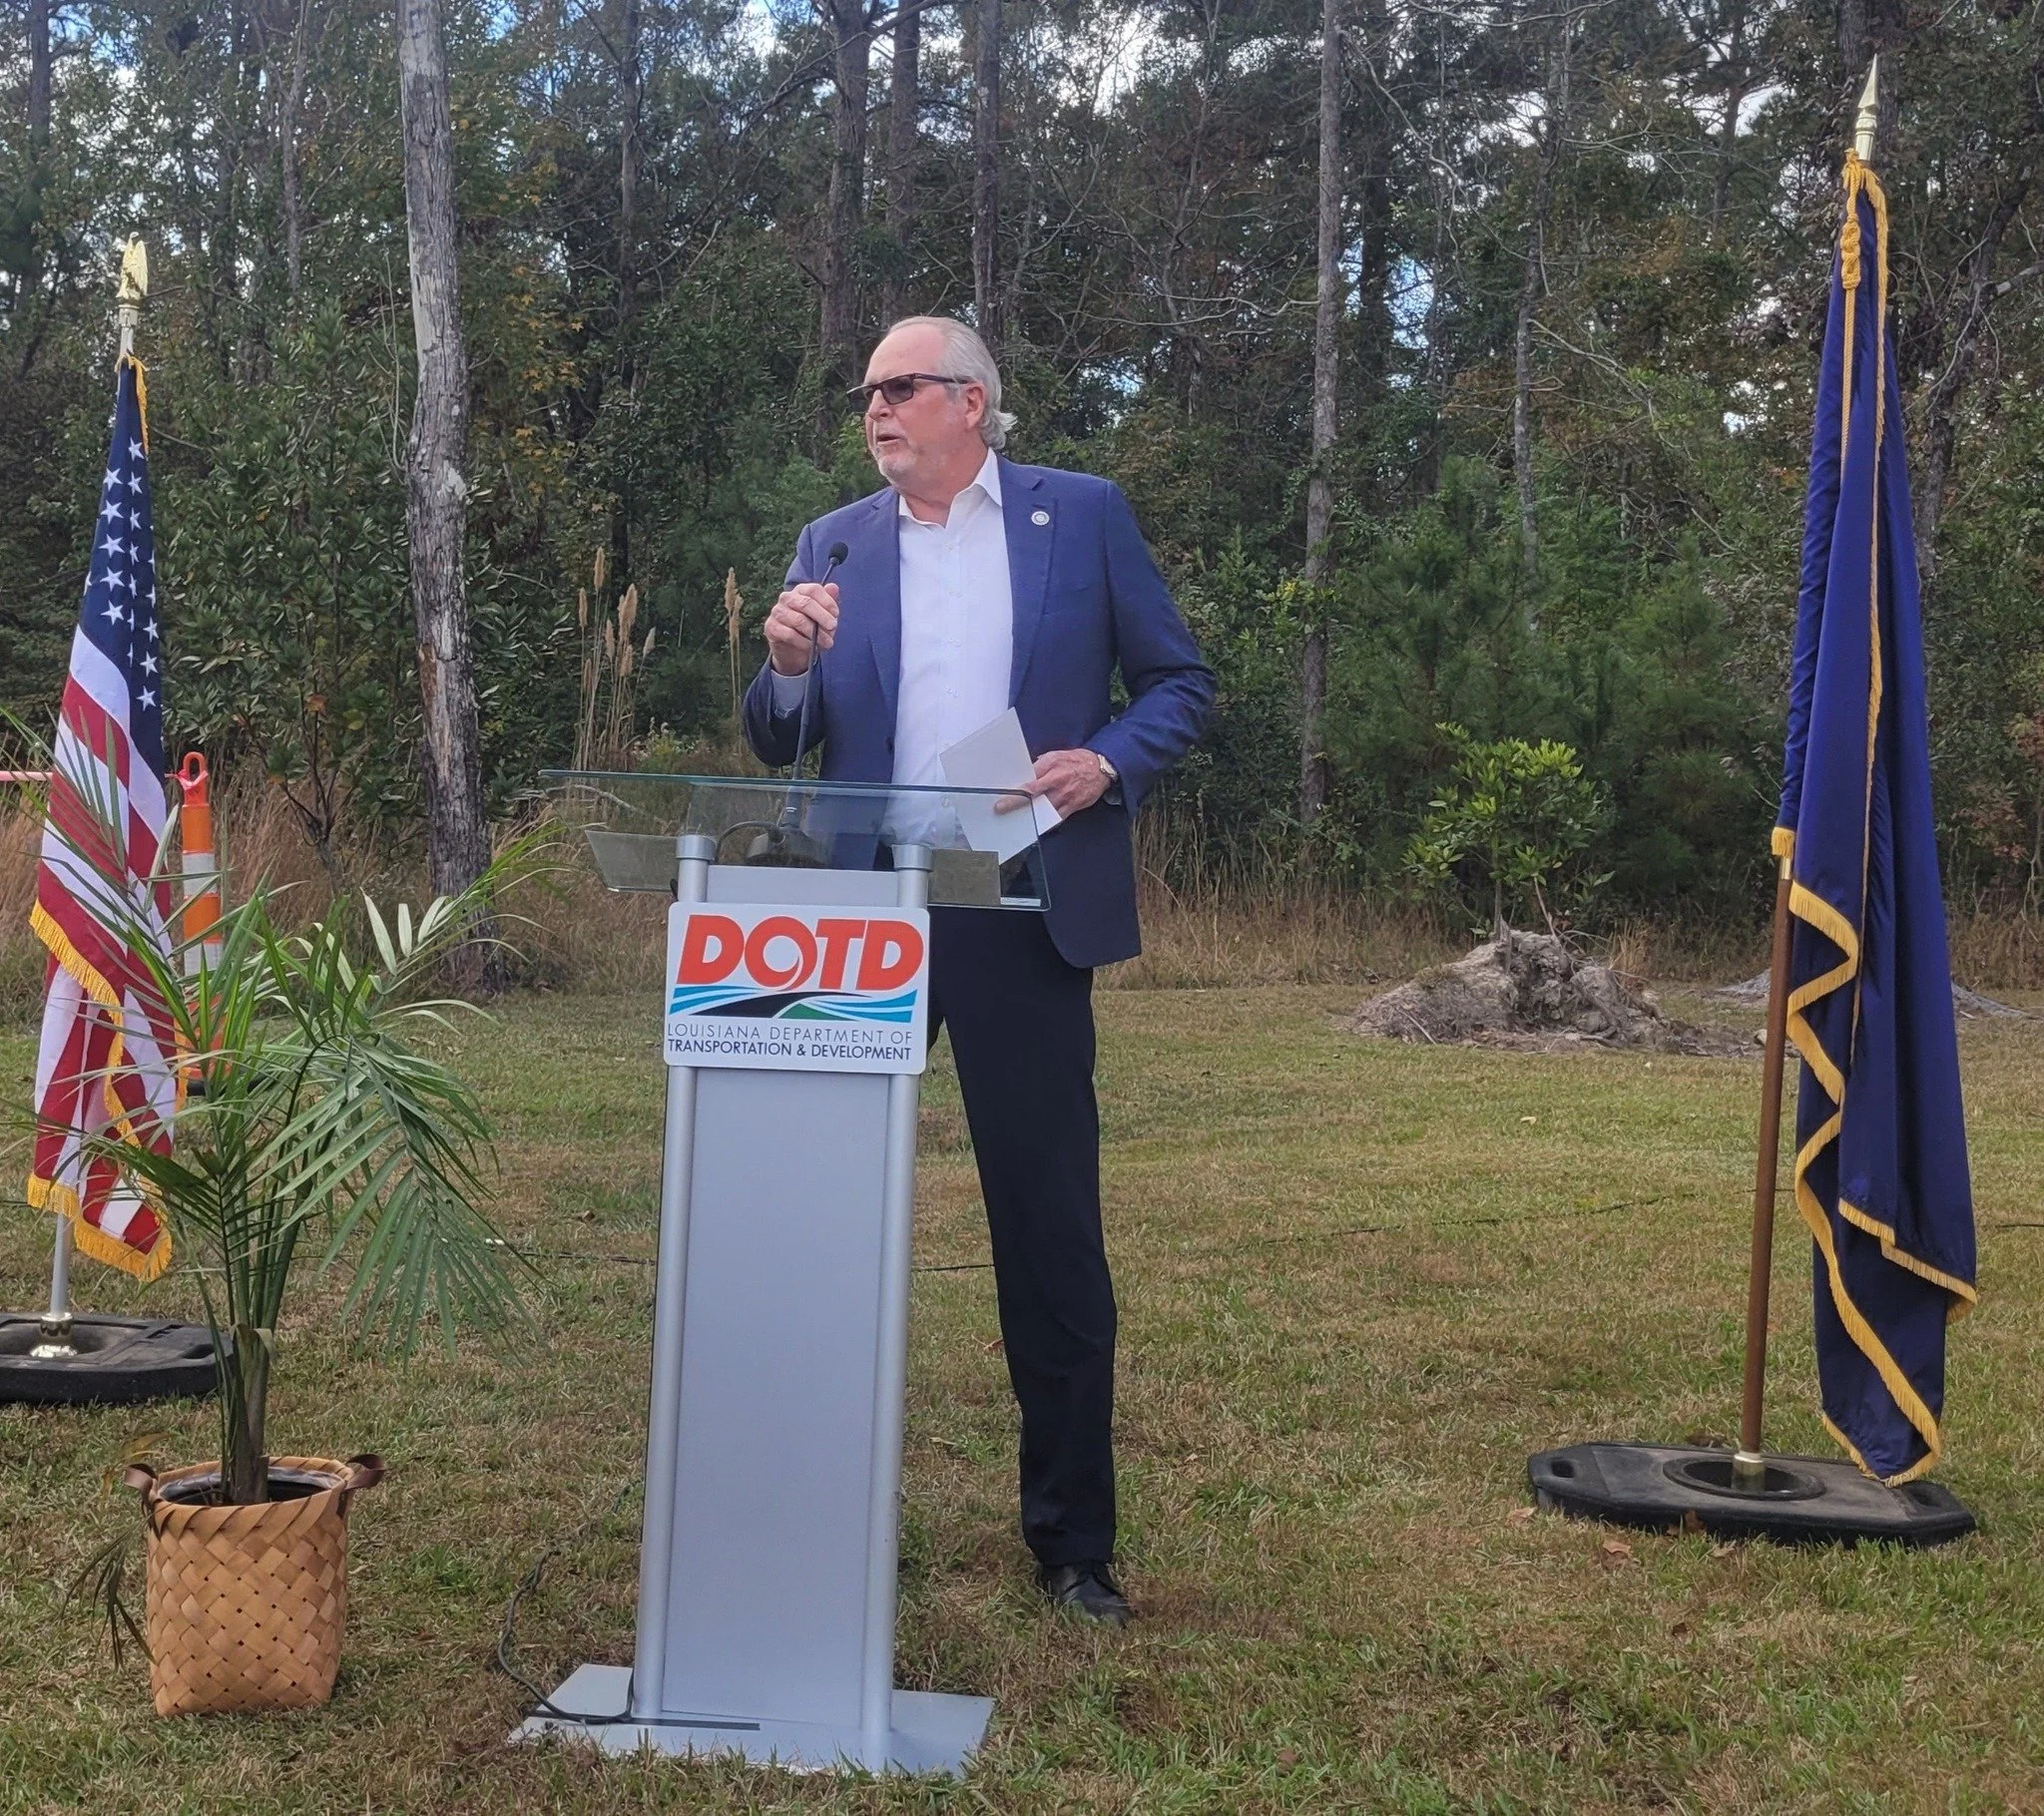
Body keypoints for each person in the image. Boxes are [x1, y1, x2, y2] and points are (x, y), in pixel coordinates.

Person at [744, 316, 1213, 1626]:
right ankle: (804, 1517)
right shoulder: (833, 542)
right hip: (860, 921)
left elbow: (1180, 679)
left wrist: (1106, 759)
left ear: (971, 403)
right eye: (867, 391)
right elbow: (780, 733)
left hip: (1016, 906)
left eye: (899, 389)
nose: (875, 408)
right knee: (818, 1226)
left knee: (1049, 1234)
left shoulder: (1086, 518)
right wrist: (783, 666)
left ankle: (1072, 1545)